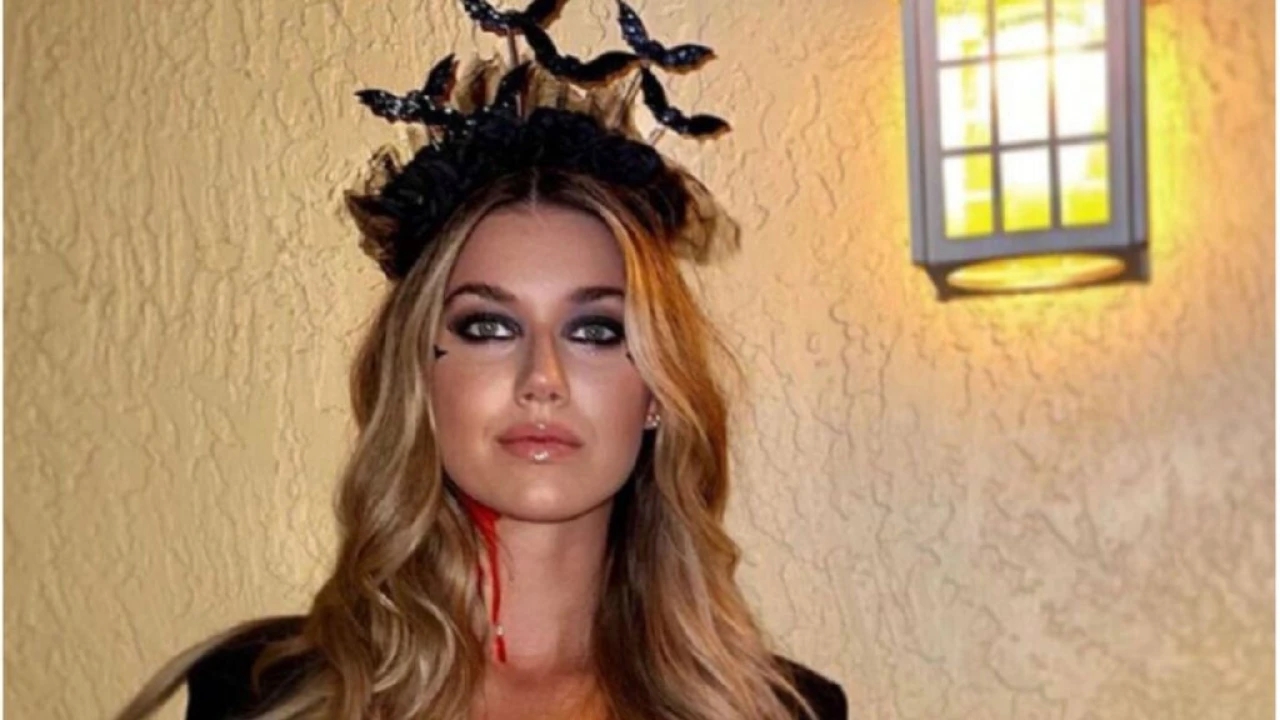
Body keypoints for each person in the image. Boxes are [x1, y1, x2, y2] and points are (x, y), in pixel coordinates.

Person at [114, 2, 848, 718]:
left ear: (658, 389)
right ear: (419, 376)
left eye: (595, 331)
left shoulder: (778, 710)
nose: (542, 380)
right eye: (489, 327)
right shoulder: (263, 693)